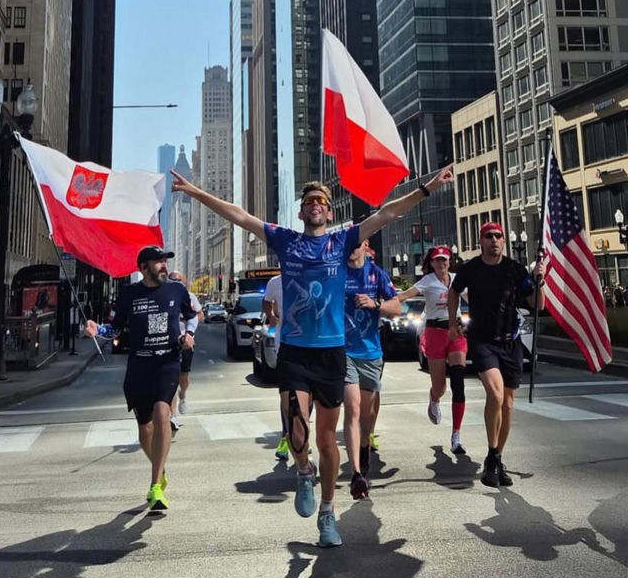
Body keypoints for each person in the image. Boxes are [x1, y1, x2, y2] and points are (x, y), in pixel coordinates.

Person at [172, 164, 454, 547]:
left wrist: (427, 188)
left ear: (330, 211)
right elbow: (239, 215)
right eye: (309, 202)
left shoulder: (341, 242)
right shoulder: (287, 241)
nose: (316, 205)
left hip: (332, 353)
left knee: (325, 439)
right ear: (302, 212)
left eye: (321, 201)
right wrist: (195, 192)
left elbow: (387, 213)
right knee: (296, 429)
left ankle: (327, 512)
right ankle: (304, 471)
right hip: (296, 351)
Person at [85, 246, 198, 511]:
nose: (163, 266)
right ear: (143, 268)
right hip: (139, 365)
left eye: (164, 261)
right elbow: (114, 327)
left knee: (162, 414)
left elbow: (192, 317)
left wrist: (188, 335)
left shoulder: (176, 290)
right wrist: (97, 329)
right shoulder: (129, 294)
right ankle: (160, 470)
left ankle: (155, 486)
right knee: (144, 429)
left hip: (167, 362)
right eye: (158, 262)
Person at [447, 222, 544, 489]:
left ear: (504, 240)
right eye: (489, 236)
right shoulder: (471, 268)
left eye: (498, 236)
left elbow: (539, 304)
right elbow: (453, 290)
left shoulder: (514, 270)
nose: (494, 241)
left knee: (509, 404)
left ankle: (496, 458)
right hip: (482, 341)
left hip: (509, 342)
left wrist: (539, 280)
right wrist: (453, 321)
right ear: (481, 241)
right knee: (496, 393)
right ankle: (491, 452)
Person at [397, 245, 469, 455]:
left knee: (458, 380)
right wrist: (383, 299)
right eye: (437, 260)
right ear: (432, 263)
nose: (441, 264)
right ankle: (434, 398)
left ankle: (456, 435)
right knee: (440, 386)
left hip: (454, 331)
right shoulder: (428, 281)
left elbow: (474, 299)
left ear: (450, 261)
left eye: (444, 260)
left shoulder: (457, 279)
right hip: (435, 331)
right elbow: (406, 295)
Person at [343, 239, 400, 499]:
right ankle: (356, 474)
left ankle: (364, 452)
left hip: (370, 352)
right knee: (352, 407)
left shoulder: (377, 274)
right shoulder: (337, 272)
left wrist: (375, 304)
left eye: (355, 244)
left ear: (365, 245)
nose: (350, 249)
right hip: (343, 352)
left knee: (366, 415)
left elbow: (396, 308)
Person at [168, 270, 203, 430]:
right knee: (171, 379)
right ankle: (173, 414)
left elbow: (199, 315)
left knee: (183, 378)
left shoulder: (190, 297)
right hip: (169, 342)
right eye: (172, 280)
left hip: (186, 342)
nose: (176, 282)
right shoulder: (164, 295)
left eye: (178, 280)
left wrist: (189, 331)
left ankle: (183, 396)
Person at [261, 273, 290, 462]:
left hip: (311, 345)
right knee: (287, 395)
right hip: (285, 345)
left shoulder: (312, 274)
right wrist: (270, 315)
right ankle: (286, 437)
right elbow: (266, 301)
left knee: (309, 399)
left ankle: (296, 433)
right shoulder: (275, 282)